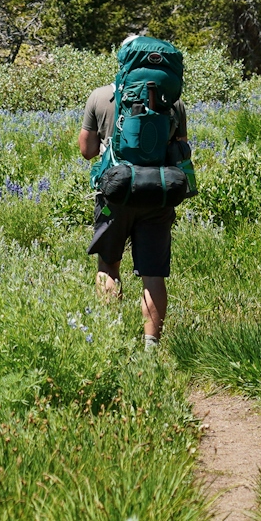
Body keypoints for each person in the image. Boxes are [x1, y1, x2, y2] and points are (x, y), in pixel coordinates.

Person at [78, 78, 188, 350]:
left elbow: (87, 151)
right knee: (153, 275)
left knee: (108, 266)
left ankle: (111, 342)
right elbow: (182, 148)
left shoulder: (101, 96)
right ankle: (151, 350)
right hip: (158, 195)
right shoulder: (174, 101)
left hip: (115, 195)